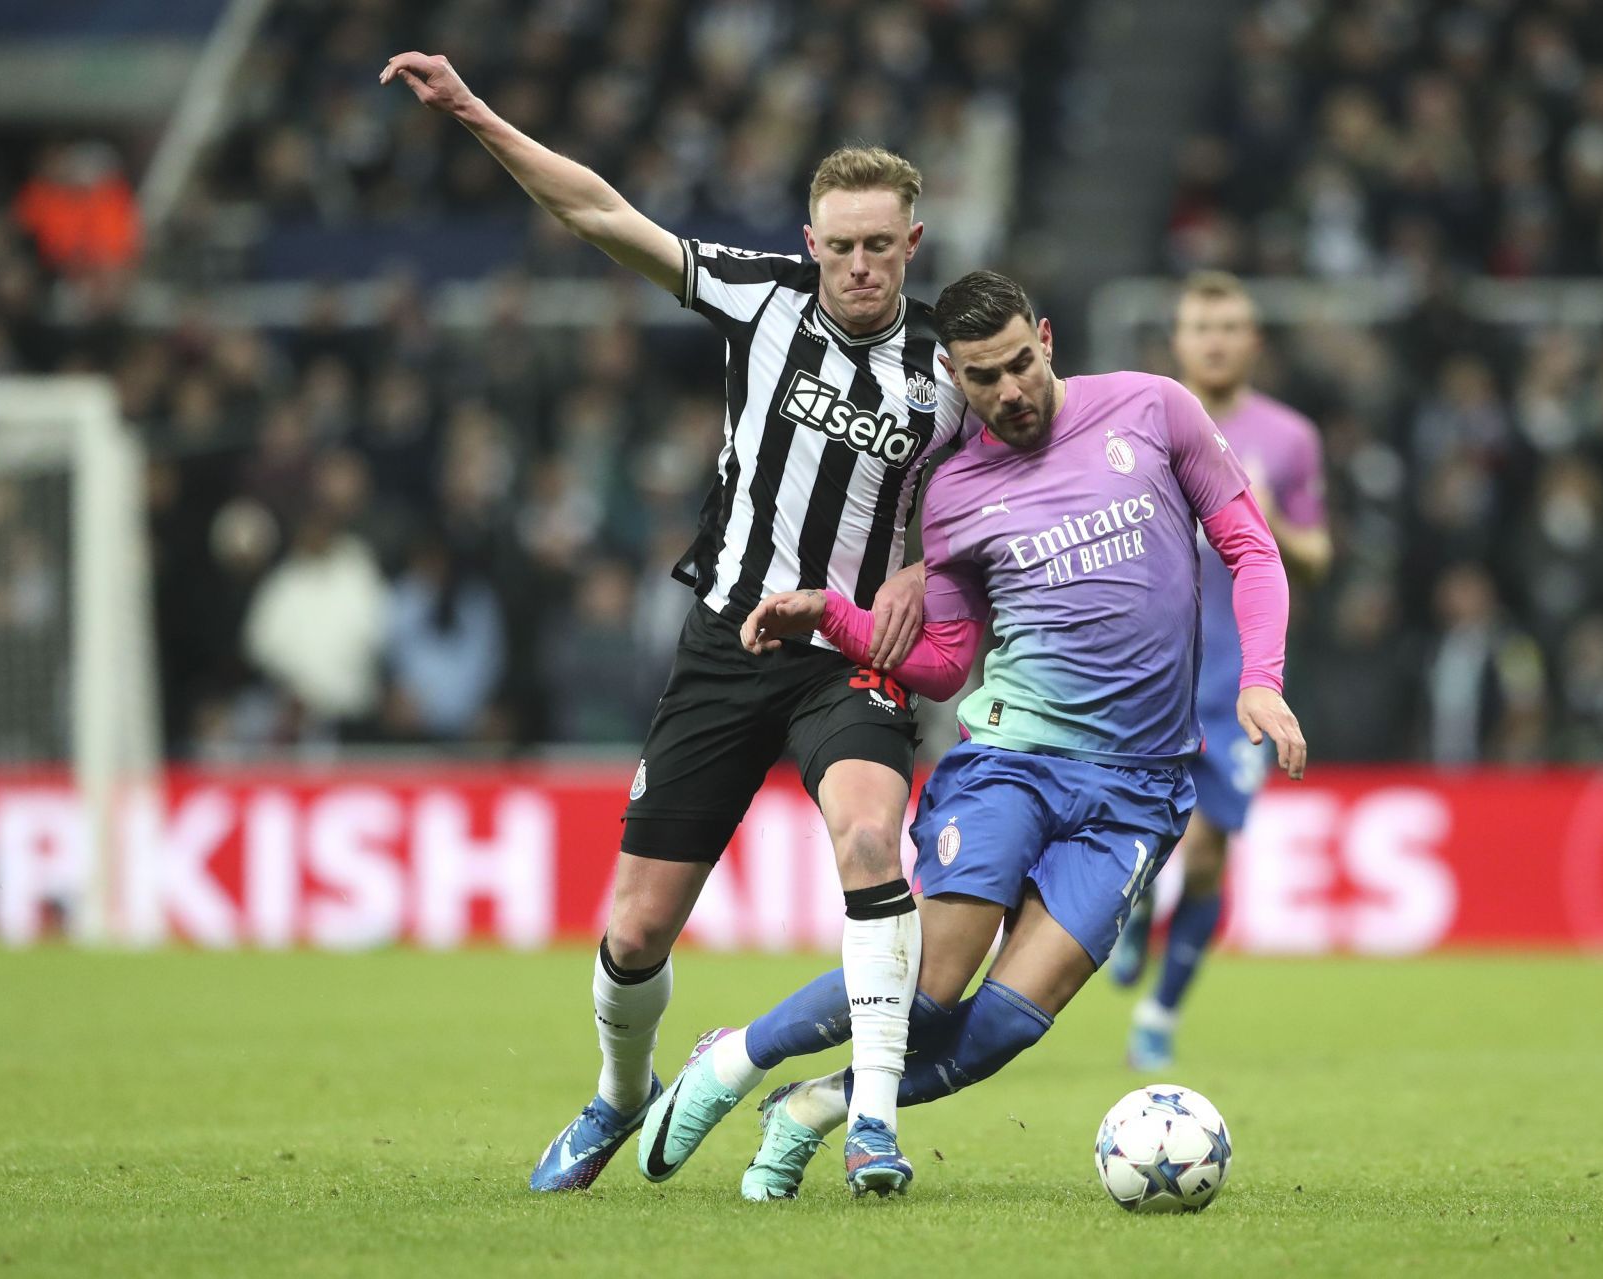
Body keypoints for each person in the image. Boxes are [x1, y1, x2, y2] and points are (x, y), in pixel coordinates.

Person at [380, 52, 970, 1195]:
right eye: (839, 243)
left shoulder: (948, 365)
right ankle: (618, 1094)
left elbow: (1014, 478)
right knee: (638, 931)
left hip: (848, 657)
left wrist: (928, 569)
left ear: (913, 243)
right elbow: (597, 209)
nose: (857, 264)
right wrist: (474, 114)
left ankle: (875, 1122)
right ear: (811, 241)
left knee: (866, 840)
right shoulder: (758, 295)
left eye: (878, 245)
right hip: (726, 645)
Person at [631, 270, 1308, 1200]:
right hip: (1011, 764)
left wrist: (1263, 682)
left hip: (1141, 789)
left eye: (1021, 364)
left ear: (1049, 338)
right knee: (925, 989)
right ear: (955, 373)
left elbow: (1252, 549)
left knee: (1006, 1026)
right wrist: (828, 614)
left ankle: (812, 1108)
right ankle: (733, 1059)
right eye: (984, 378)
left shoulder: (1156, 410)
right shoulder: (955, 492)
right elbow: (945, 661)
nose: (1011, 392)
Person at [1110, 272, 1332, 1071]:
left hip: (1239, 675)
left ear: (1253, 341)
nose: (1215, 339)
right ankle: (1134, 906)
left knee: (1207, 851)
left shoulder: (1289, 438)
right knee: (1142, 833)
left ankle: (1161, 1011)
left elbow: (1316, 556)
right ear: (1177, 338)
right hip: (1149, 669)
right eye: (1201, 325)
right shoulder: (1135, 425)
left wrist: (1272, 526)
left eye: (1231, 325)